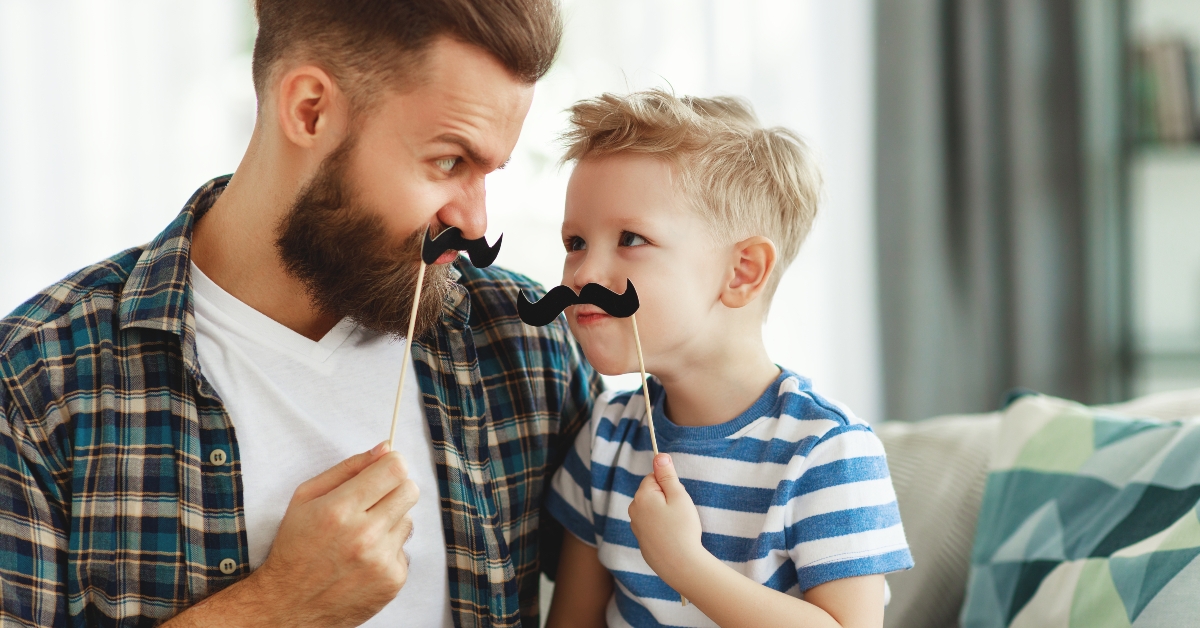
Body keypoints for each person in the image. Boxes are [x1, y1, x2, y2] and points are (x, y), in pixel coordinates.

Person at [0, 1, 599, 626]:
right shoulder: (37, 383)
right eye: (449, 162)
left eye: (490, 170)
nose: (476, 223)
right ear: (309, 109)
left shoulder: (530, 344)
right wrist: (278, 605)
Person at [542, 90, 914, 628]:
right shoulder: (605, 439)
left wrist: (686, 565)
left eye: (630, 238)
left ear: (742, 272)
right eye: (575, 241)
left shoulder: (826, 452)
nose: (580, 274)